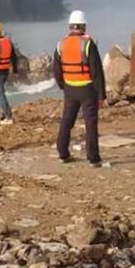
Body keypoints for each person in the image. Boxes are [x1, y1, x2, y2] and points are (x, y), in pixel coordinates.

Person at [53, 10, 106, 166]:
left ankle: (63, 154)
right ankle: (93, 158)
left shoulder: (61, 44)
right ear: (83, 26)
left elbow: (56, 70)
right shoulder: (88, 44)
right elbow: (97, 72)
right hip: (87, 89)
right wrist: (101, 96)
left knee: (66, 121)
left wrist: (63, 86)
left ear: (70, 26)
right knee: (90, 124)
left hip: (70, 89)